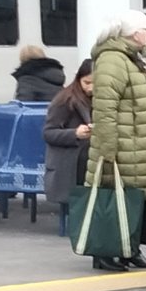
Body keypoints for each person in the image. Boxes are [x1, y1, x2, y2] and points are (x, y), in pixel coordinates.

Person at [85, 11, 146, 272]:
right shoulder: (113, 60)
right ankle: (106, 253)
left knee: (134, 200)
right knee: (115, 200)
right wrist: (108, 150)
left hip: (136, 144)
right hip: (123, 146)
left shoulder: (131, 58)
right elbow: (105, 109)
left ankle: (130, 249)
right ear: (135, 33)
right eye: (145, 29)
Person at [43, 59, 92, 210]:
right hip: (70, 164)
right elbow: (48, 133)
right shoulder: (64, 100)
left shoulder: (102, 99)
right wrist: (74, 134)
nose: (91, 88)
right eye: (87, 82)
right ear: (78, 79)